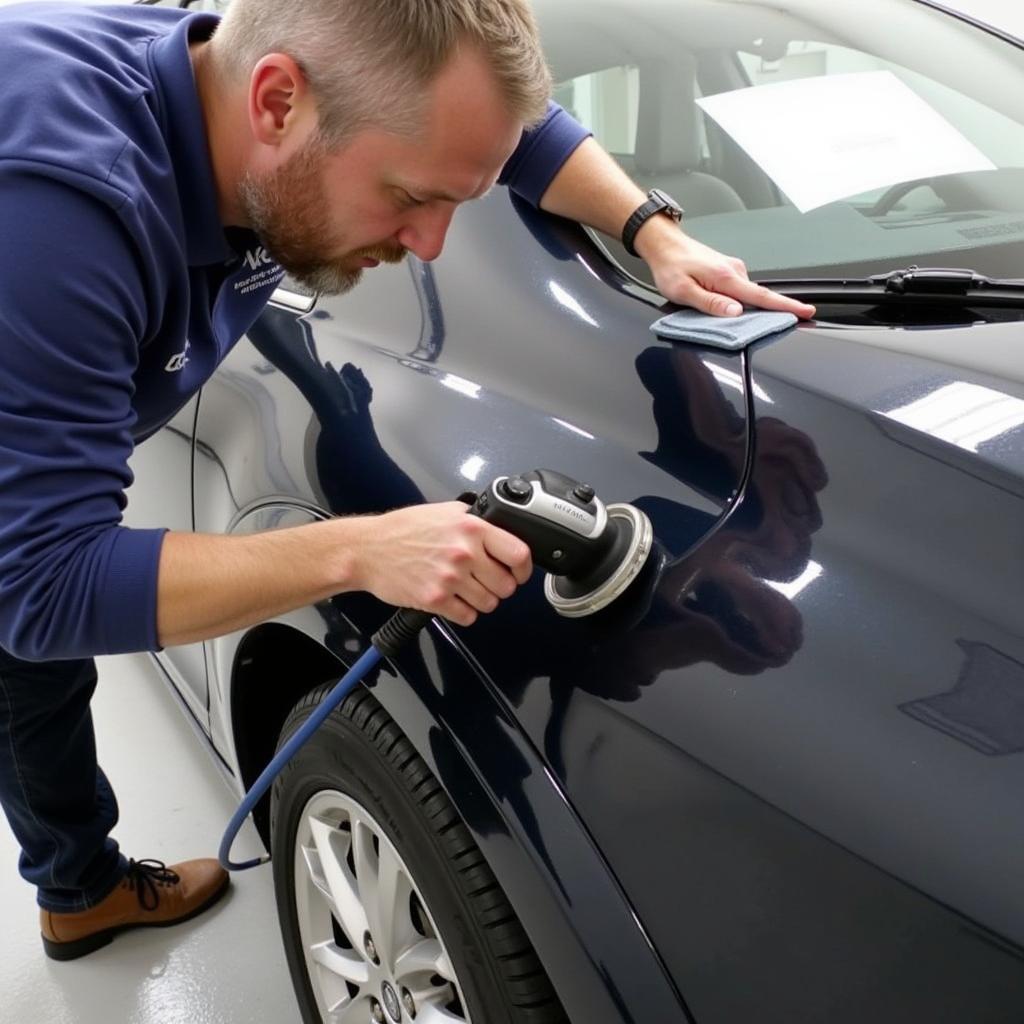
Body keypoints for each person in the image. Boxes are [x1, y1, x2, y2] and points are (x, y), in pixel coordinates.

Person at [0, 0, 815, 961]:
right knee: (30, 649)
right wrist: (360, 548)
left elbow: (516, 129)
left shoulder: (277, 72)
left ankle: (75, 887)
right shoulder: (56, 215)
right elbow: (37, 586)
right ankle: (80, 885)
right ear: (277, 105)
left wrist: (652, 231)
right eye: (409, 196)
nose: (428, 243)